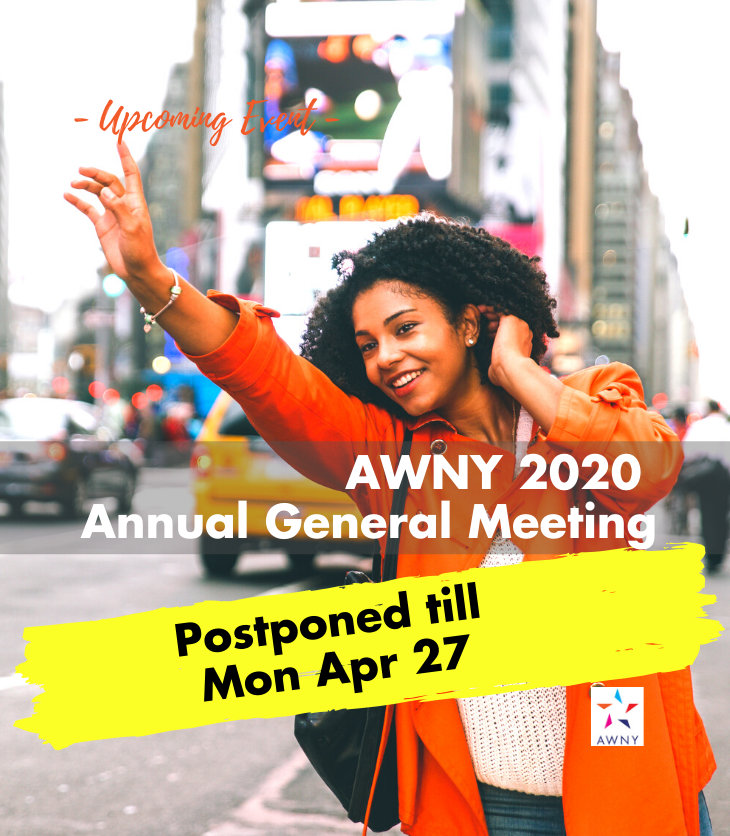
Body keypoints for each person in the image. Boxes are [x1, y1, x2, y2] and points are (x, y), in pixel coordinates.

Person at [64, 141, 715, 836]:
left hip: (633, 789)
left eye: (405, 329)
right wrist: (150, 277)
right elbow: (264, 374)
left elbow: (648, 473)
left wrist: (521, 372)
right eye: (368, 344)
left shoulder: (592, 400)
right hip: (479, 810)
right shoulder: (393, 456)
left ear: (470, 323)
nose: (387, 358)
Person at [681, 400, 730, 574]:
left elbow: (687, 452)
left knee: (707, 514)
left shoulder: (699, 426)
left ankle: (710, 556)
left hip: (704, 476)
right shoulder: (726, 426)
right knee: (722, 513)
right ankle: (718, 555)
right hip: (723, 476)